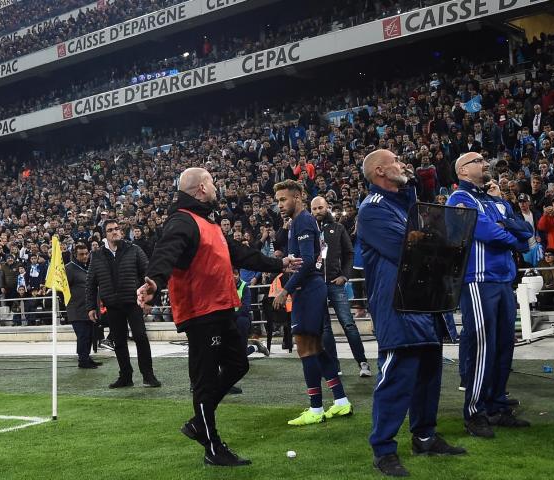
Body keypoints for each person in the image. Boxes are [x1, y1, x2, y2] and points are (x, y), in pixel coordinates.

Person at [137, 167, 299, 467]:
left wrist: (279, 265)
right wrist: (154, 280)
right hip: (201, 314)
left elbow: (240, 253)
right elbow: (166, 251)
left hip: (221, 308)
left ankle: (199, 421)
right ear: (200, 188)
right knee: (204, 380)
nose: (216, 186)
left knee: (238, 365)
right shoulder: (182, 220)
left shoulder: (207, 223)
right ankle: (212, 448)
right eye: (212, 182)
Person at [358, 149, 466, 477]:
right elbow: (410, 247)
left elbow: (431, 238)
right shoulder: (372, 209)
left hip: (424, 300)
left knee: (429, 373)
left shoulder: (407, 201)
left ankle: (425, 436)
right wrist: (433, 239)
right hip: (397, 303)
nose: (403, 164)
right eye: (395, 161)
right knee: (397, 375)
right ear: (379, 170)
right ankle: (384, 450)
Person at [447, 152, 533, 439]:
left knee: (504, 346)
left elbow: (525, 231)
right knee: (483, 347)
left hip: (503, 281)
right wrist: (515, 239)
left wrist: (510, 230)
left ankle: (496, 406)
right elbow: (487, 233)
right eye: (478, 161)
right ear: (463, 170)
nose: (485, 164)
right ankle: (474, 413)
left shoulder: (495, 201)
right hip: (477, 282)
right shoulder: (458, 199)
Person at [272, 180, 353, 427]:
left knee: (305, 348)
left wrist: (285, 289)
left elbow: (307, 261)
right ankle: (340, 402)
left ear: (297, 197)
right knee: (317, 348)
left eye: (283, 199)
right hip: (311, 289)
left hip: (308, 290)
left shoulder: (304, 221)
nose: (280, 205)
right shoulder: (298, 223)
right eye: (277, 201)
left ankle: (315, 408)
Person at [86, 219, 160, 388]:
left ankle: (148, 375)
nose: (114, 231)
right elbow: (90, 283)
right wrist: (90, 306)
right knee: (119, 342)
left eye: (117, 229)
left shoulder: (134, 250)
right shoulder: (97, 256)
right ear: (106, 234)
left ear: (121, 231)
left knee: (141, 337)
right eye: (111, 229)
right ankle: (125, 376)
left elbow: (148, 275)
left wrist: (150, 301)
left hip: (133, 303)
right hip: (112, 305)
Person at [310, 196, 371, 377]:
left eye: (320, 207)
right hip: (317, 285)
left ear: (327, 208)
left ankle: (363, 363)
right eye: (314, 209)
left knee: (348, 324)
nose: (317, 211)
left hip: (336, 284)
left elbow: (349, 253)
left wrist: (344, 276)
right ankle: (334, 367)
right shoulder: (310, 230)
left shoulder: (338, 228)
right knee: (326, 329)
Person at [65, 243, 102, 368]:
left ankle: (86, 356)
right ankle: (83, 360)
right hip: (76, 308)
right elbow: (62, 289)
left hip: (88, 308)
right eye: (81, 254)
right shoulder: (69, 268)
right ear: (75, 255)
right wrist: (70, 301)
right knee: (83, 335)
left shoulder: (88, 267)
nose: (85, 256)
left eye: (86, 253)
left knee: (90, 334)